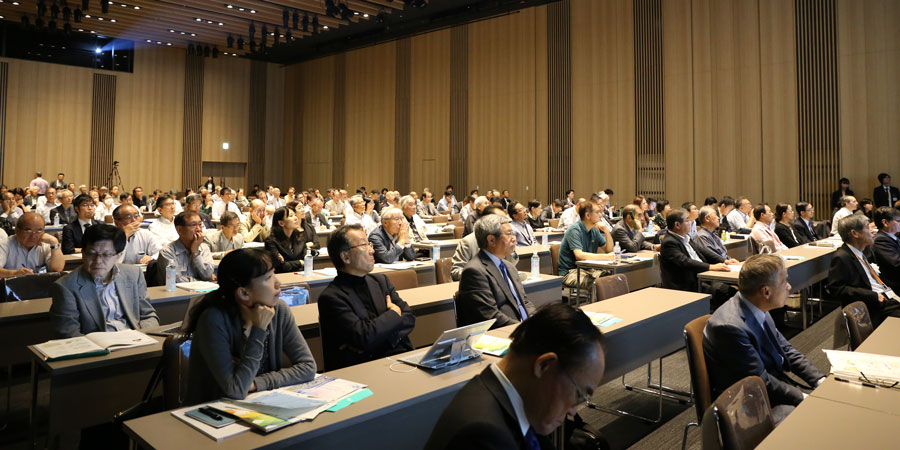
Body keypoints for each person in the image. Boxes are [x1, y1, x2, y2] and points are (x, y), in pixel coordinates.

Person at [424, 303, 606, 450]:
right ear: (544, 366)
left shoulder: (516, 404)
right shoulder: (482, 435)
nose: (573, 412)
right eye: (579, 395)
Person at [703, 254, 825, 424]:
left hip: (771, 387)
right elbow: (760, 382)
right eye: (784, 283)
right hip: (749, 404)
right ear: (766, 291)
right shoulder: (730, 327)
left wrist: (820, 380)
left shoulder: (756, 305)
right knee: (819, 421)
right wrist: (805, 398)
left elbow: (786, 350)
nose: (789, 287)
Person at [185, 249, 317, 404]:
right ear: (244, 293)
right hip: (214, 412)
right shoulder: (213, 320)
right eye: (268, 277)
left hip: (261, 403)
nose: (277, 282)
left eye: (274, 273)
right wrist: (259, 330)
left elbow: (308, 367)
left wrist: (256, 383)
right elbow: (236, 390)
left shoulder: (279, 310)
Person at [317, 224, 416, 370]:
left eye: (369, 244)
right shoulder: (331, 297)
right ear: (345, 257)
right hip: (363, 370)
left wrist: (377, 338)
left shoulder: (381, 281)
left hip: (398, 360)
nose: (372, 250)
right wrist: (394, 314)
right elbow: (364, 337)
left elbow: (409, 317)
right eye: (364, 245)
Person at [49, 224, 159, 338]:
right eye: (92, 254)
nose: (98, 261)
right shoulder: (65, 286)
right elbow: (69, 333)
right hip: (98, 348)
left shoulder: (133, 274)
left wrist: (146, 337)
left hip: (138, 342)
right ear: (83, 254)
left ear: (119, 255)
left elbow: (148, 315)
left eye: (106, 255)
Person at [457, 214, 535, 329]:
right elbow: (490, 316)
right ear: (491, 240)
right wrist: (523, 329)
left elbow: (524, 301)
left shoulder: (509, 266)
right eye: (509, 234)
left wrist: (536, 320)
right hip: (502, 335)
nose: (514, 238)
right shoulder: (474, 271)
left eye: (513, 233)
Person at [827, 214, 900, 326]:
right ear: (855, 234)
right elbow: (836, 288)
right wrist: (872, 296)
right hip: (872, 306)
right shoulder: (842, 257)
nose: (873, 231)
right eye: (867, 227)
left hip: (886, 296)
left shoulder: (864, 250)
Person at [659, 209, 731, 302]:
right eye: (687, 220)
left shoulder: (685, 237)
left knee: (735, 288)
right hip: (690, 283)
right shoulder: (669, 242)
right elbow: (685, 261)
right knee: (727, 293)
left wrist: (724, 261)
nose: (691, 222)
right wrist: (710, 267)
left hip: (702, 276)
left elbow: (703, 250)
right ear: (677, 225)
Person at [558, 201, 615, 291]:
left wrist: (606, 231)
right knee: (597, 284)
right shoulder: (574, 230)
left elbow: (609, 249)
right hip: (570, 272)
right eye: (597, 212)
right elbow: (579, 256)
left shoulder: (594, 229)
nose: (601, 215)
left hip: (588, 269)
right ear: (588, 215)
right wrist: (606, 257)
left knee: (612, 278)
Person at [452, 206, 519, 281]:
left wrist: (511, 251)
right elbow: (456, 272)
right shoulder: (468, 242)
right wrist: (482, 274)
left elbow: (510, 265)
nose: (505, 222)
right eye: (501, 219)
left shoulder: (505, 240)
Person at [155, 212, 215, 283]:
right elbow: (174, 280)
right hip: (177, 293)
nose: (198, 229)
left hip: (203, 292)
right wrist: (202, 281)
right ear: (179, 230)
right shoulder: (167, 252)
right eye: (193, 225)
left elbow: (207, 275)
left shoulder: (204, 248)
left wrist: (195, 252)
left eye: (200, 224)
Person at [0, 212, 65, 277]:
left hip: (40, 285)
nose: (33, 236)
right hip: (11, 285)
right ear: (17, 230)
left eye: (39, 231)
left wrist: (54, 242)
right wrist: (14, 274)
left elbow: (57, 269)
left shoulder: (46, 244)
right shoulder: (5, 244)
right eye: (28, 231)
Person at [264, 207, 317, 273]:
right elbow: (280, 266)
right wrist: (299, 262)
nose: (295, 218)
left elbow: (307, 261)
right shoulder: (271, 241)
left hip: (301, 275)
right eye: (291, 216)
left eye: (295, 215)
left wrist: (290, 263)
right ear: (281, 223)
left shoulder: (300, 237)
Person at [872, 207, 900, 294]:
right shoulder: (881, 240)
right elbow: (897, 264)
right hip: (895, 284)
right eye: (898, 221)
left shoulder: (892, 235)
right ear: (885, 222)